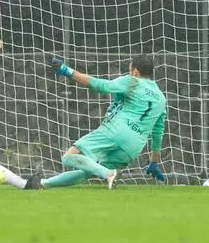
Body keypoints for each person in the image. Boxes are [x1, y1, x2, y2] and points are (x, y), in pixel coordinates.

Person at [41, 54, 167, 189]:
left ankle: (108, 173)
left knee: (68, 157)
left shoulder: (132, 81)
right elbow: (157, 133)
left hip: (116, 131)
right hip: (133, 148)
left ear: (135, 71)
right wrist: (154, 162)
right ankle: (43, 184)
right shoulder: (161, 98)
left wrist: (66, 70)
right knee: (89, 171)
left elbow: (99, 85)